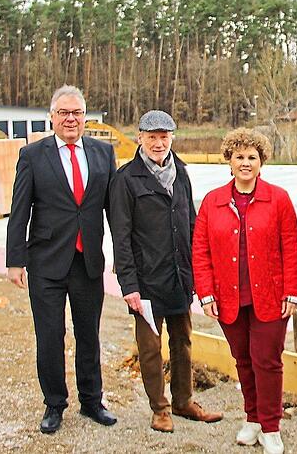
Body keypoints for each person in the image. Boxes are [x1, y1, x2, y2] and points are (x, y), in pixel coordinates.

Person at [5, 85, 118, 434]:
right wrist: (15, 259)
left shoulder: (103, 153)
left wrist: (124, 256)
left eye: (77, 113)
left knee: (89, 335)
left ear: (85, 117)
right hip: (46, 263)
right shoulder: (32, 156)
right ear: (52, 117)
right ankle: (54, 403)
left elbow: (114, 210)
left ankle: (92, 400)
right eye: (64, 113)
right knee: (50, 337)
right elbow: (19, 210)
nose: (71, 119)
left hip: (88, 262)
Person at [108, 109, 222, 433]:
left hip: (179, 276)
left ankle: (183, 401)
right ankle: (160, 408)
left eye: (164, 137)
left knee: (183, 341)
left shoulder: (181, 173)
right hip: (146, 281)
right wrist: (129, 285)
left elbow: (192, 225)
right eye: (152, 137)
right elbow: (121, 237)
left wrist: (198, 272)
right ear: (139, 138)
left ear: (172, 137)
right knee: (150, 348)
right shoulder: (126, 179)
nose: (159, 143)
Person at [192, 128, 297, 454]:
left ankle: (271, 427)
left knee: (266, 361)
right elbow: (200, 250)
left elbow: (291, 247)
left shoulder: (278, 198)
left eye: (252, 157)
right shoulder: (212, 201)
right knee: (243, 359)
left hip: (270, 296)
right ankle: (252, 418)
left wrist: (292, 292)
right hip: (229, 296)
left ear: (261, 162)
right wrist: (206, 293)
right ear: (229, 160)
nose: (245, 163)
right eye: (239, 156)